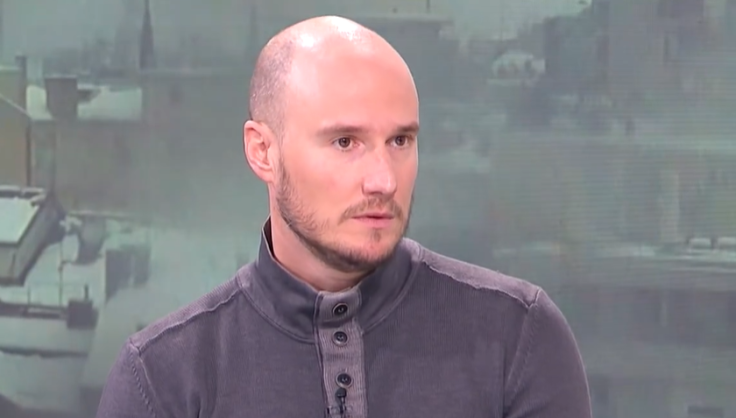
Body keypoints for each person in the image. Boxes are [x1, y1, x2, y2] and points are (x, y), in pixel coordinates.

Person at [96, 16, 591, 418]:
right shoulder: (162, 380)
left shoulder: (518, 338)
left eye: (400, 141)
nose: (384, 180)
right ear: (263, 151)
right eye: (345, 142)